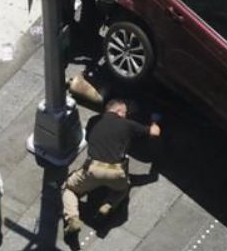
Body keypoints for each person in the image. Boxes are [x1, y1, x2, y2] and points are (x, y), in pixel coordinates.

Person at [62, 99, 161, 236]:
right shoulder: (128, 124)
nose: (125, 115)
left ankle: (72, 217)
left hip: (93, 169)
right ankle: (108, 205)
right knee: (123, 187)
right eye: (125, 112)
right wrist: (154, 121)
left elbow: (89, 138)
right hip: (116, 172)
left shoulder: (94, 121)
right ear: (119, 111)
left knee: (69, 189)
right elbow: (155, 132)